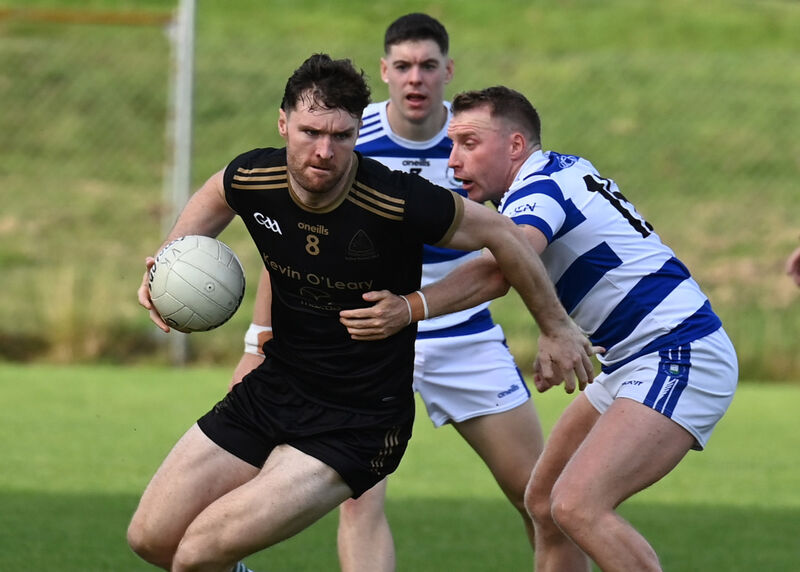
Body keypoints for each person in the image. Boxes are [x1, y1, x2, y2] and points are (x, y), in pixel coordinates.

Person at [128, 56, 595, 572]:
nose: (324, 151)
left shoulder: (394, 199)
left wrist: (555, 326)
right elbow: (220, 189)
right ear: (283, 123)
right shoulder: (255, 175)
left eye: (342, 136)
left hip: (358, 421)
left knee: (197, 553)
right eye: (310, 132)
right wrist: (168, 261)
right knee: (152, 539)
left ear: (357, 132)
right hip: (275, 391)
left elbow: (503, 235)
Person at [340, 86, 738, 572]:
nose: (453, 159)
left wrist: (409, 308)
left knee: (578, 505)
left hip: (679, 352)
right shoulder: (557, 172)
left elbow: (499, 269)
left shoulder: (539, 189)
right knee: (546, 503)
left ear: (514, 145)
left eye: (469, 143)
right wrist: (555, 331)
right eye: (451, 143)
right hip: (632, 361)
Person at [231, 14, 546, 571]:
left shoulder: (475, 143)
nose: (415, 79)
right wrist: (257, 343)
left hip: (461, 335)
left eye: (428, 66)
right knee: (357, 501)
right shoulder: (345, 137)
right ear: (385, 72)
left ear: (448, 71)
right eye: (402, 66)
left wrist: (555, 325)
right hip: (361, 338)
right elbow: (285, 245)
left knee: (538, 496)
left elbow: (518, 240)